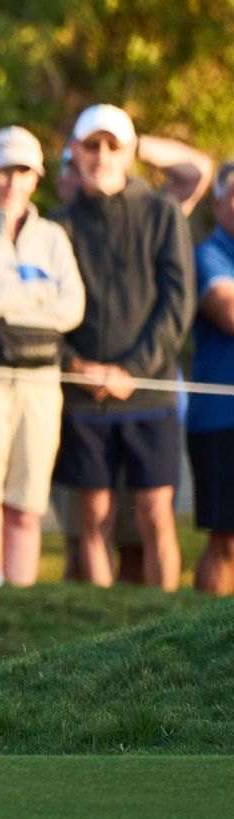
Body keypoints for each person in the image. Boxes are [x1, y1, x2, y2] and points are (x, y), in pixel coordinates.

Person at [51, 104, 193, 591]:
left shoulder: (162, 212)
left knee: (156, 511)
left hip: (148, 390)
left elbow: (177, 304)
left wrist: (132, 370)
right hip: (84, 391)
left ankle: (166, 625)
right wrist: (74, 364)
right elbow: (45, 308)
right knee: (93, 513)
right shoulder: (59, 224)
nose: (102, 155)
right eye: (92, 145)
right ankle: (101, 631)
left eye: (113, 146)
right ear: (75, 151)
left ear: (130, 153)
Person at [0, 127, 84, 589]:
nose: (11, 180)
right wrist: (43, 293)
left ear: (35, 178)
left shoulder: (52, 236)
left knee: (26, 505)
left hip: (40, 382)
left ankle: (17, 607)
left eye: (22, 171)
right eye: (4, 169)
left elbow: (73, 308)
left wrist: (10, 301)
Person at [185, 161, 234, 597]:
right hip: (221, 417)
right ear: (218, 203)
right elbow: (229, 313)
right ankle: (207, 637)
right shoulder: (209, 254)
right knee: (227, 540)